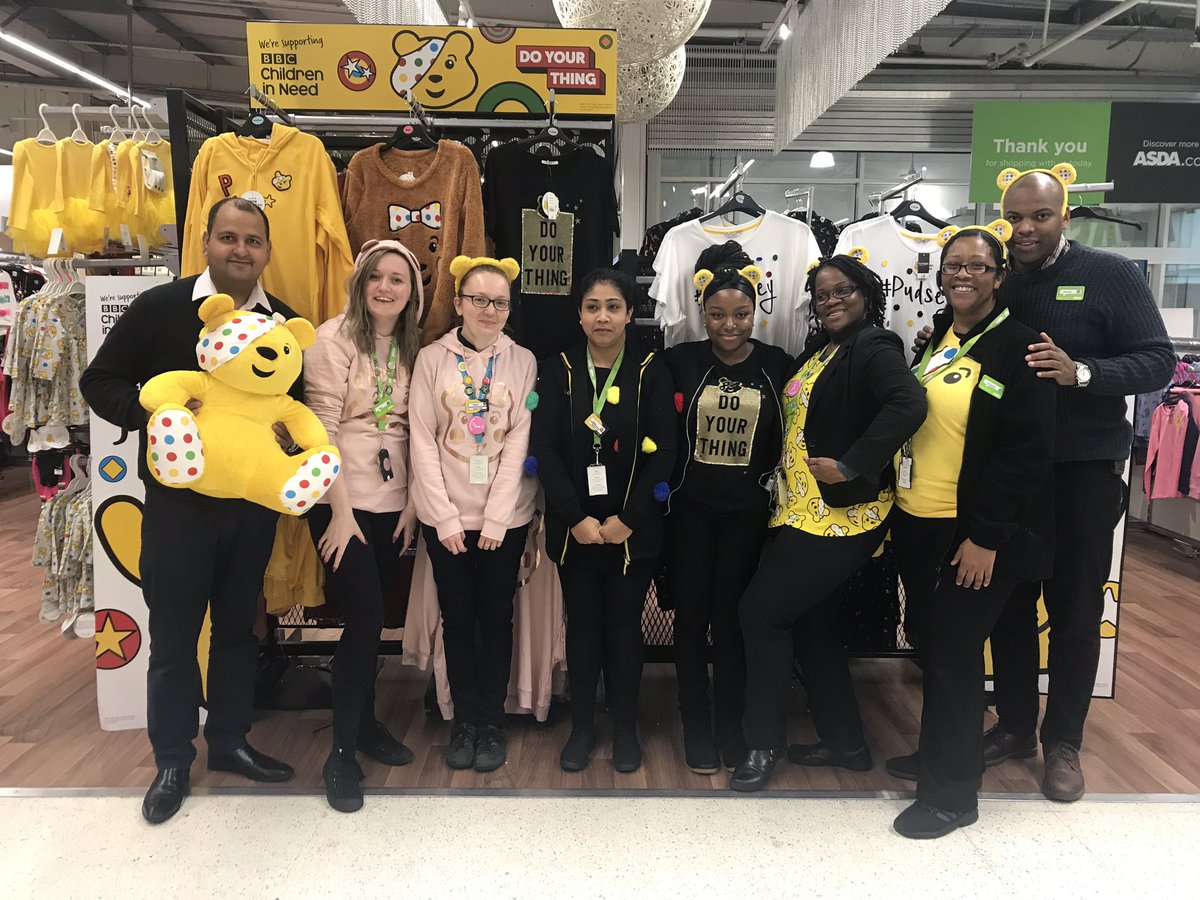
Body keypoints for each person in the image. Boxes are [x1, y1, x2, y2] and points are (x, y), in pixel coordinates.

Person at [912, 164, 1174, 802]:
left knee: (1076, 610)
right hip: (1008, 477)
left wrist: (1081, 372)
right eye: (1016, 217)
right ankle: (1015, 728)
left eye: (1041, 216)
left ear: (1064, 216)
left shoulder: (1108, 275)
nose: (1026, 229)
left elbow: (1158, 360)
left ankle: (1065, 743)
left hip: (1081, 471)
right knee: (1006, 609)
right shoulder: (1001, 278)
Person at [80, 197, 299, 824]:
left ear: (266, 251)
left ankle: (228, 741)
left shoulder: (280, 323)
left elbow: (294, 405)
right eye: (229, 237)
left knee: (238, 631)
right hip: (178, 508)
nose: (240, 250)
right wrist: (157, 418)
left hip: (249, 508)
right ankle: (172, 758)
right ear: (206, 242)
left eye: (253, 241)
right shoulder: (161, 308)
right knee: (174, 638)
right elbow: (100, 382)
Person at [883, 224, 1056, 839]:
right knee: (933, 649)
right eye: (953, 264)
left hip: (977, 536)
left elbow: (1026, 453)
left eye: (977, 266)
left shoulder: (1021, 347)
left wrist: (986, 536)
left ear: (999, 276)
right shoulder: (938, 340)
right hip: (922, 522)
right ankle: (938, 756)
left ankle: (952, 795)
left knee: (956, 659)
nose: (963, 274)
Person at [731, 254, 927, 792]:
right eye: (821, 294)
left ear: (866, 293)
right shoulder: (823, 349)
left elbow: (908, 403)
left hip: (842, 516)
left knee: (761, 614)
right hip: (800, 511)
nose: (832, 300)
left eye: (843, 290)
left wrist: (852, 464)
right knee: (811, 624)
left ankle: (762, 742)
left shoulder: (874, 345)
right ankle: (846, 742)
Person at [529, 269, 678, 774]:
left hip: (631, 534)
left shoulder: (651, 369)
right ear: (579, 313)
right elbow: (544, 448)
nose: (603, 316)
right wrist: (574, 517)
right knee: (583, 631)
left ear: (630, 313)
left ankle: (626, 730)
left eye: (613, 306)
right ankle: (583, 728)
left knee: (624, 630)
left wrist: (629, 519)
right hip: (575, 533)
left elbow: (667, 451)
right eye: (592, 306)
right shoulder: (558, 369)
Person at [660, 240, 793, 774]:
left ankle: (730, 724)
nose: (729, 325)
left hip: (747, 518)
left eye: (740, 314)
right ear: (702, 314)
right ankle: (695, 724)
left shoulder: (778, 367)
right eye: (717, 315)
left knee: (733, 624)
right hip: (689, 515)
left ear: (756, 311)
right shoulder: (678, 362)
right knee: (691, 623)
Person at [302, 239, 423, 812]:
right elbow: (319, 429)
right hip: (339, 499)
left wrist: (410, 503)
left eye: (398, 279)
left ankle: (368, 723)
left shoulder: (411, 345)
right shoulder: (332, 339)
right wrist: (340, 510)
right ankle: (342, 753)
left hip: (392, 500)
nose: (386, 288)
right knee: (365, 617)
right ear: (360, 281)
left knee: (375, 624)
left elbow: (410, 427)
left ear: (413, 291)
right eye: (376, 277)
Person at [407, 255, 538, 774]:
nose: (489, 310)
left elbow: (520, 439)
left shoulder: (522, 360)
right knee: (458, 620)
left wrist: (499, 518)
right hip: (448, 520)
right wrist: (443, 518)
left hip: (505, 519)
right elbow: (421, 438)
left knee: (496, 619)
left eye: (500, 301)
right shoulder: (432, 358)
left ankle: (492, 723)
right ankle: (464, 721)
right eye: (479, 299)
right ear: (458, 302)